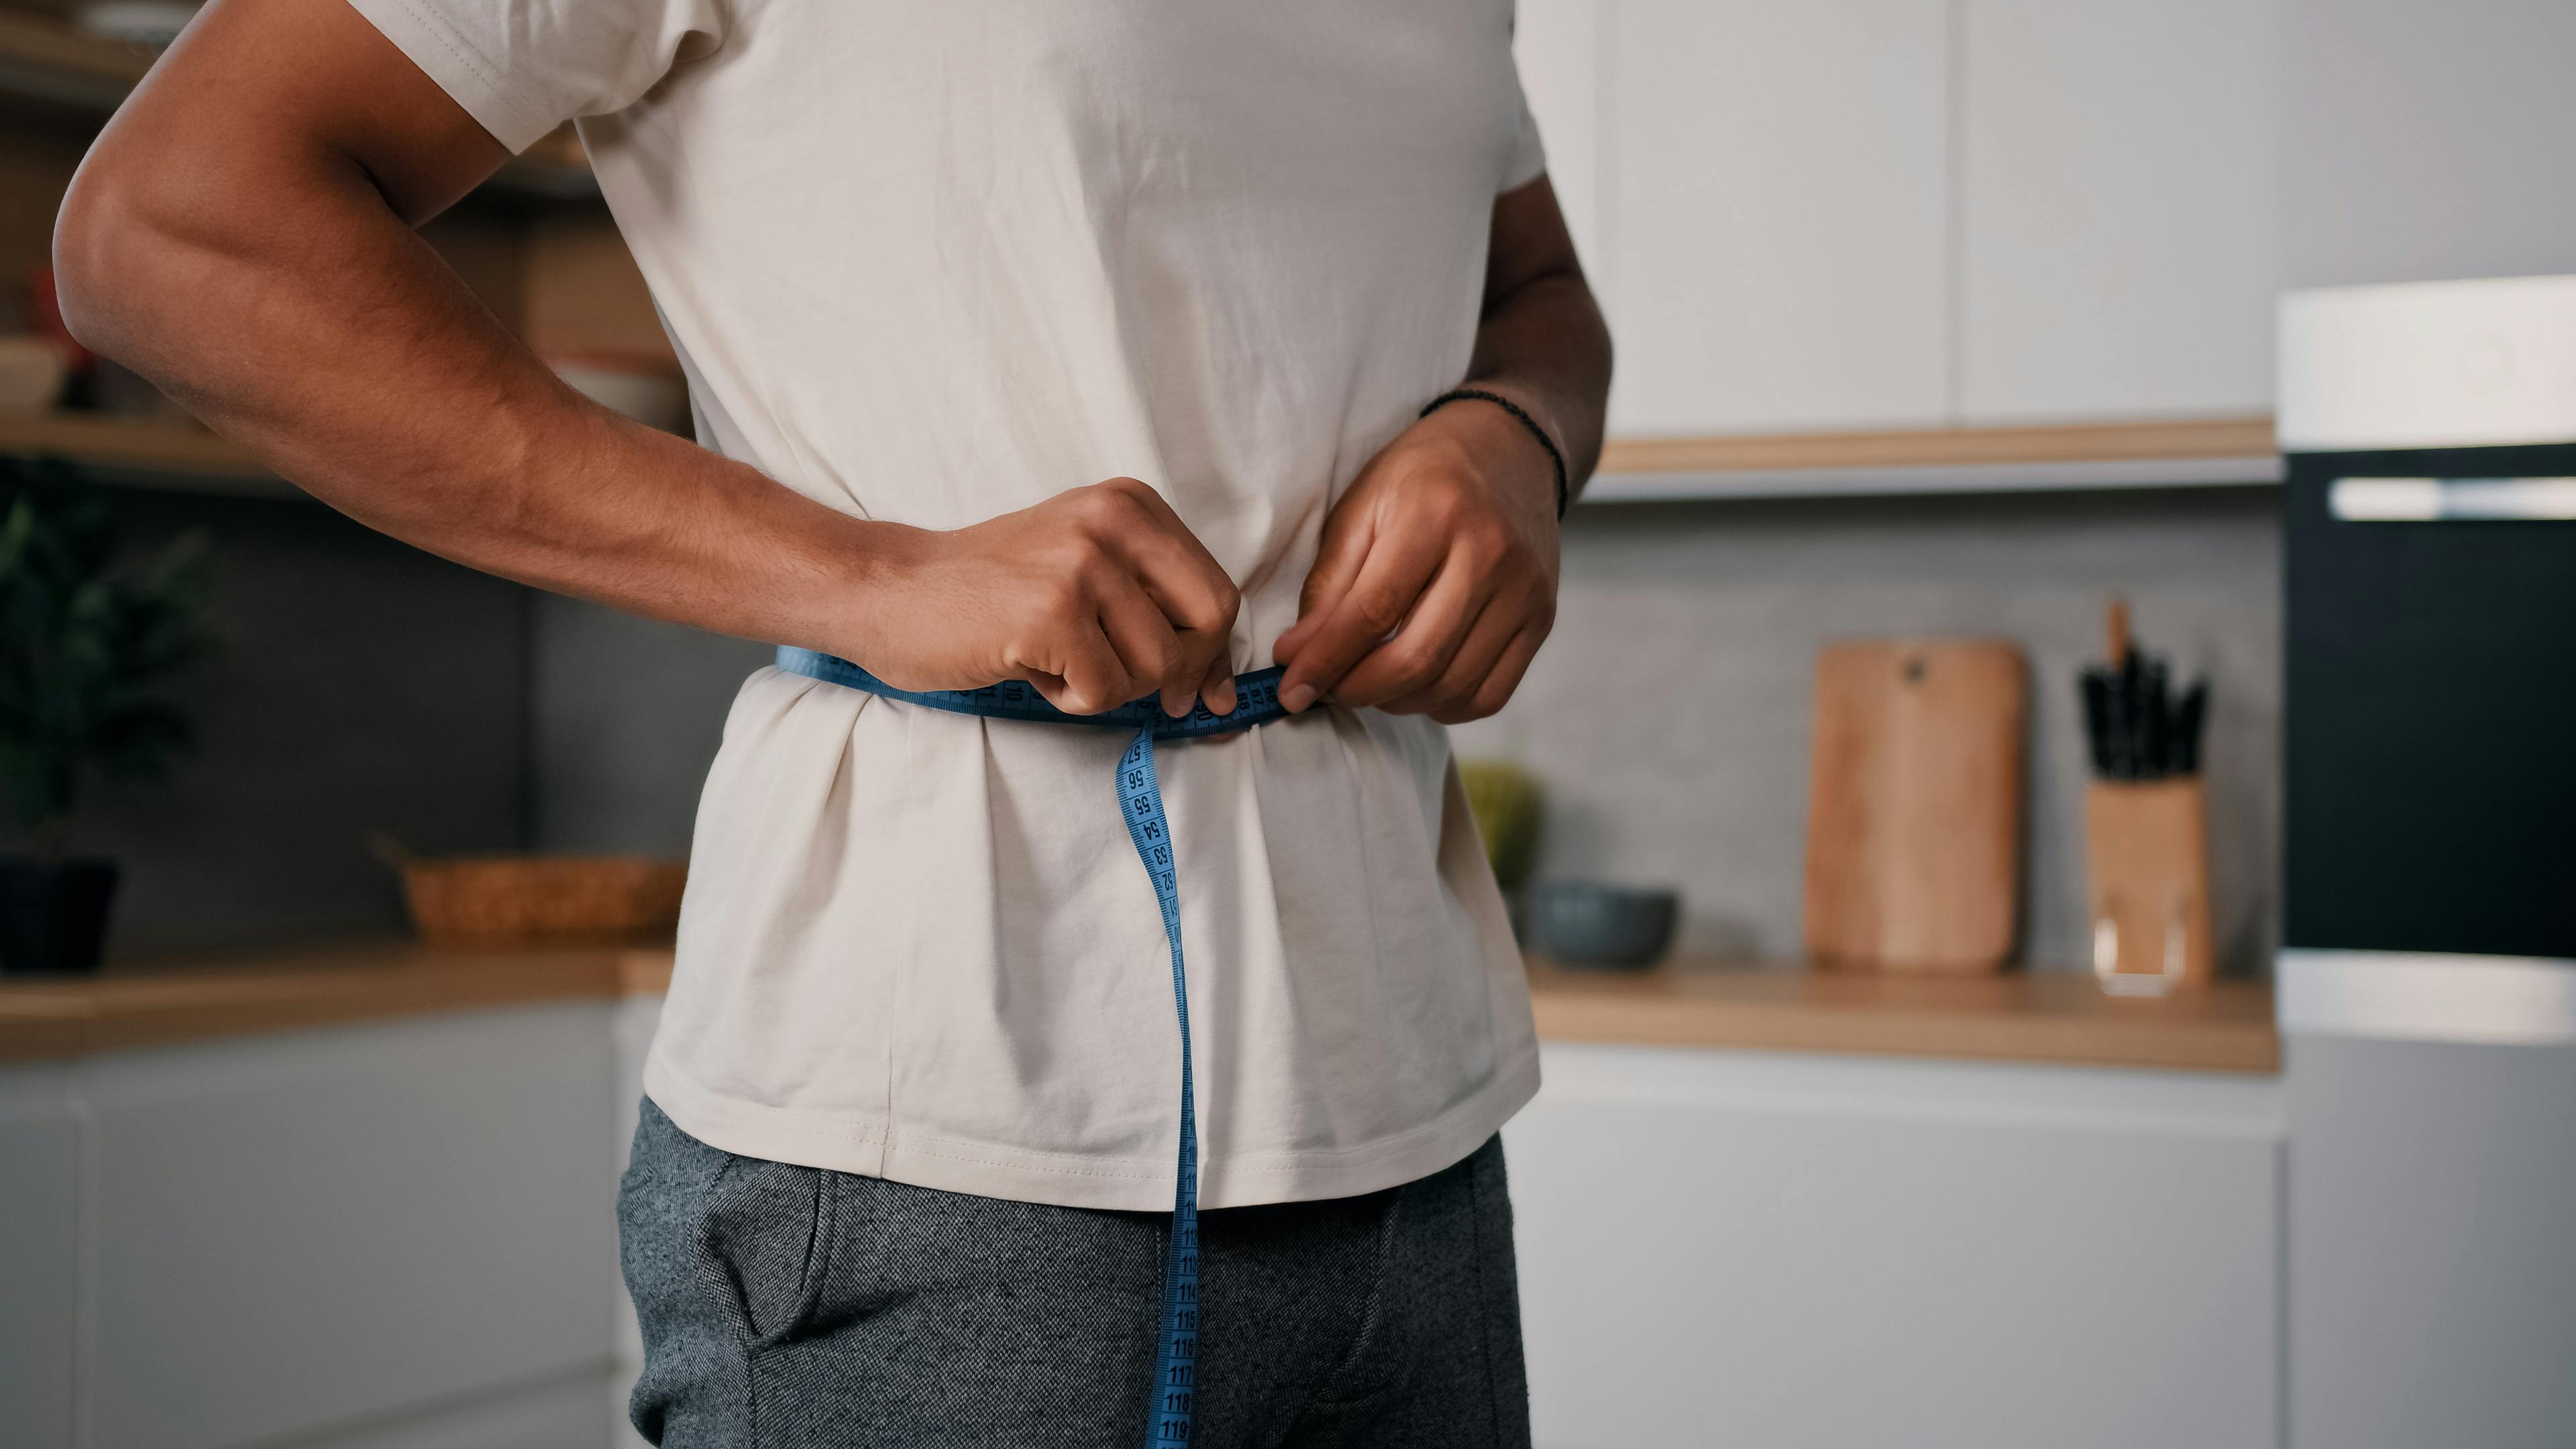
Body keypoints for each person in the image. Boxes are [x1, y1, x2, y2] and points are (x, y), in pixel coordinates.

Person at [55, 0, 1612, 1442]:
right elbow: (175, 227)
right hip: (939, 1143)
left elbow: (1537, 291)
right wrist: (866, 577)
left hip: (1416, 1112)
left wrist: (1517, 433)